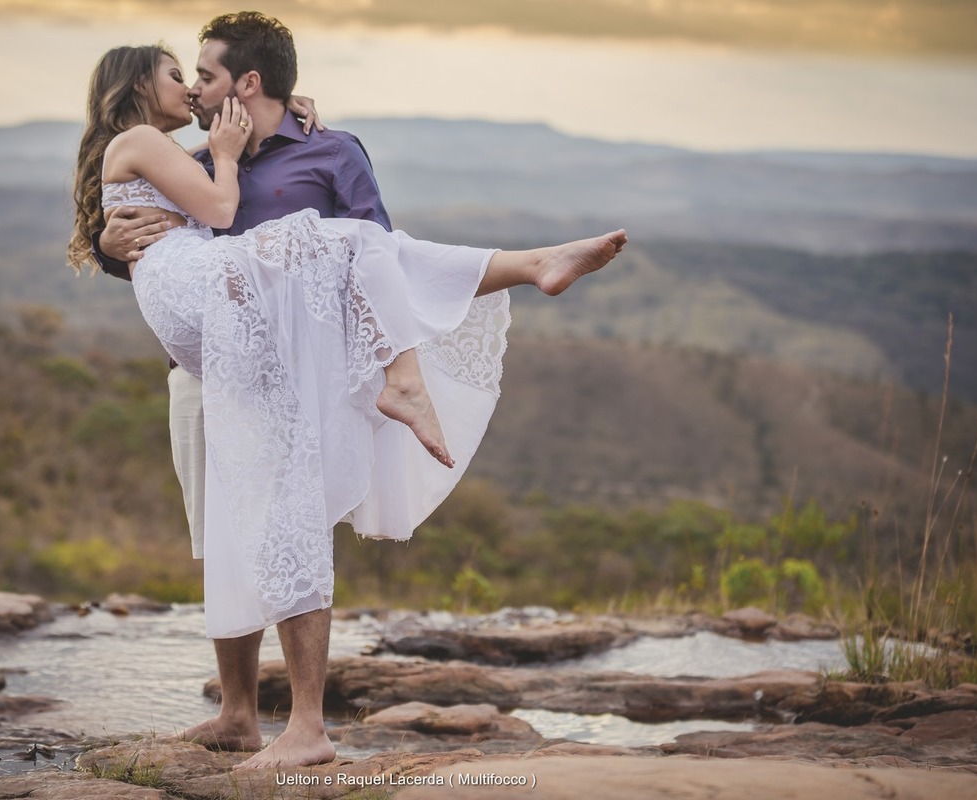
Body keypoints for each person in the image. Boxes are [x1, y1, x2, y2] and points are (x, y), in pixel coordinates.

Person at [70, 32, 627, 774]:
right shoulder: (200, 155)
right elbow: (147, 237)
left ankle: (304, 723)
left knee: (362, 251)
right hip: (202, 363)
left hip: (294, 373)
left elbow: (383, 256)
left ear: (247, 83)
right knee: (222, 535)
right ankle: (236, 715)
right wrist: (110, 240)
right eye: (186, 77)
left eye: (203, 76)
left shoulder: (330, 151)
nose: (196, 90)